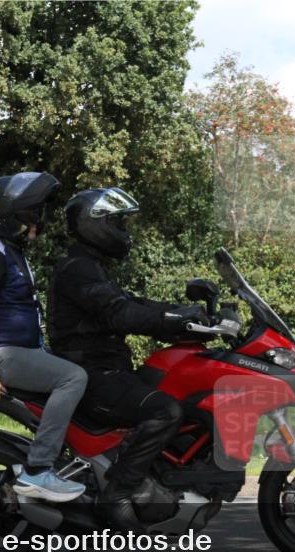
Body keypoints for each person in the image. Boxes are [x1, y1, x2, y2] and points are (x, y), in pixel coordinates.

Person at [47, 187, 209, 531]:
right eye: (118, 222)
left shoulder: (90, 266)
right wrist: (171, 322)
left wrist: (184, 315)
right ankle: (119, 490)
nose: (124, 231)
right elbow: (119, 313)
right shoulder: (78, 269)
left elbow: (132, 303)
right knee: (165, 410)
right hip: (94, 375)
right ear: (96, 225)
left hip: (105, 369)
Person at [0, 172, 89, 502]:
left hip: (20, 351)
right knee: (73, 378)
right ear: (8, 217)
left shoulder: (8, 250)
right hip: (2, 355)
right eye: (32, 215)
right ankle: (38, 470)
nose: (38, 222)